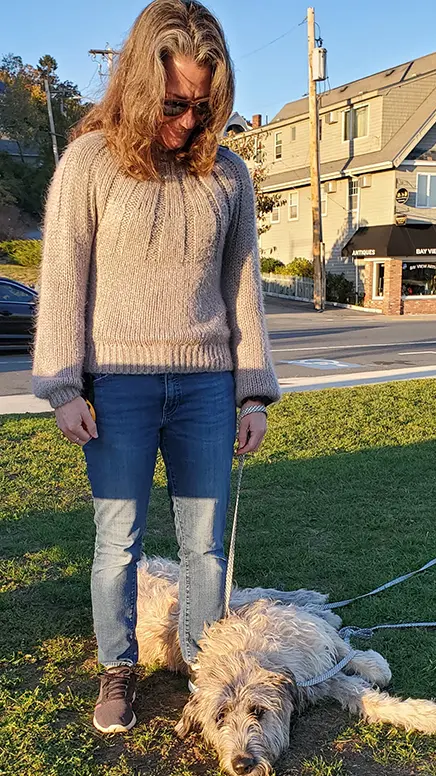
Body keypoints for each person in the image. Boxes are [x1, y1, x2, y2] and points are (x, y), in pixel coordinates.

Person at [32, 0, 280, 735]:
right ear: (140, 86)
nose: (188, 122)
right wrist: (63, 386)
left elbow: (243, 287)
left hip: (206, 387)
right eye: (174, 104)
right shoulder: (90, 162)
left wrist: (252, 393)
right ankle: (118, 667)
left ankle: (207, 675)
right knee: (118, 543)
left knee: (205, 544)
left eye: (204, 108)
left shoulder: (228, 174)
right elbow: (63, 277)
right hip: (117, 390)